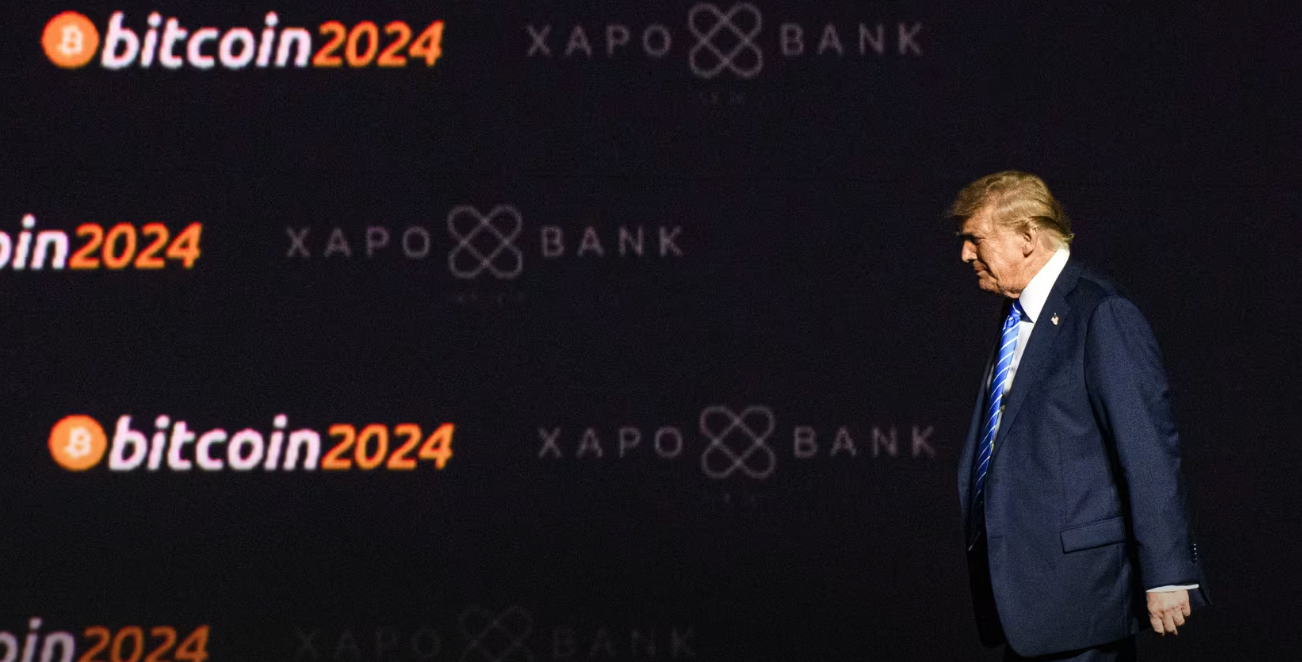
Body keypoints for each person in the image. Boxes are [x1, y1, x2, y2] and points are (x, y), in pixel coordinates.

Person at [951, 171, 1210, 661]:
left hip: (1082, 598)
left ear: (1027, 237)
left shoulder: (1100, 312)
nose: (965, 254)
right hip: (1027, 602)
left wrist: (1168, 572)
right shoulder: (1017, 317)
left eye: (976, 238)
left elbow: (1146, 448)